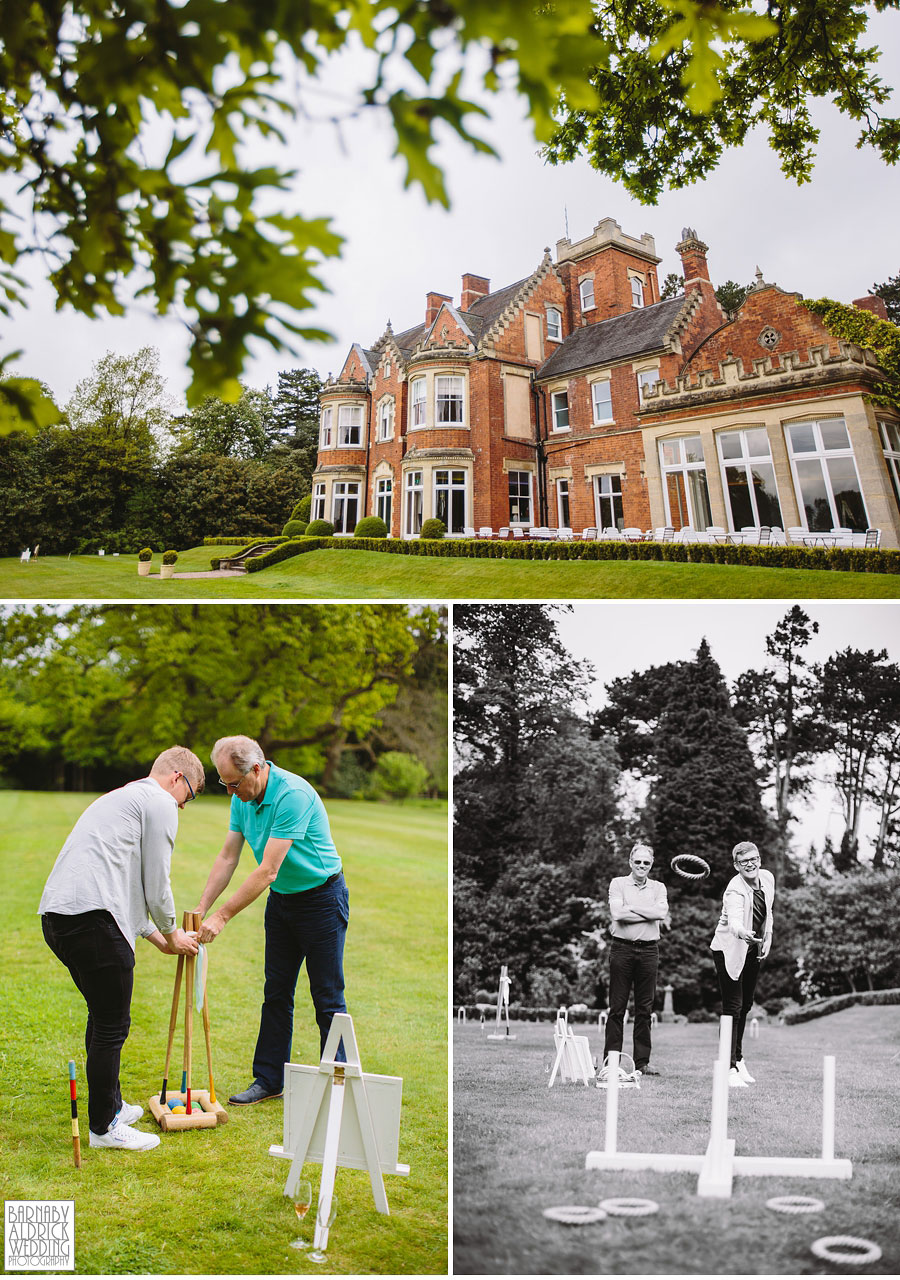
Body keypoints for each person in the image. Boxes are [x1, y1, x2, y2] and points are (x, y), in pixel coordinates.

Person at [39, 747, 203, 1152]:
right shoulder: (160, 801)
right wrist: (171, 932)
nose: (184, 806)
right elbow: (156, 880)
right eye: (191, 796)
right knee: (113, 1024)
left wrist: (156, 938)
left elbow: (126, 883)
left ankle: (110, 1105)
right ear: (177, 778)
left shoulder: (123, 797)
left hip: (59, 917)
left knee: (104, 1016)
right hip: (91, 919)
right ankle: (104, 1128)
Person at [194, 736, 349, 1105]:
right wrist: (201, 908)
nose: (230, 792)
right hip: (283, 904)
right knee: (276, 991)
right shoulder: (241, 799)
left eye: (234, 783)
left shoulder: (292, 795)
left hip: (321, 898)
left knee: (327, 996)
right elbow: (228, 857)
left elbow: (267, 871)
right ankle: (269, 1079)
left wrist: (223, 916)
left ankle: (340, 1083)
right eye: (224, 783)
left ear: (258, 769)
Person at [709, 840, 775, 1087]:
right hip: (729, 949)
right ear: (736, 865)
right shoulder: (733, 890)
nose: (750, 864)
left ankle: (738, 1059)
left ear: (760, 859)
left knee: (746, 1004)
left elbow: (769, 910)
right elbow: (735, 919)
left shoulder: (767, 879)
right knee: (733, 1007)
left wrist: (767, 936)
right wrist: (742, 932)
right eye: (744, 861)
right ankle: (727, 1069)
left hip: (752, 948)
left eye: (754, 859)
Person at [603, 842, 668, 1077]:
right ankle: (611, 1062)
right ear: (631, 862)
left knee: (644, 1009)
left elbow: (660, 913)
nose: (642, 865)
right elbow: (617, 914)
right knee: (617, 1008)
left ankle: (642, 1062)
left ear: (651, 865)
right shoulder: (618, 883)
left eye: (646, 863)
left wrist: (632, 907)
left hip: (650, 951)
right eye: (638, 861)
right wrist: (645, 910)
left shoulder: (659, 887)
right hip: (622, 949)